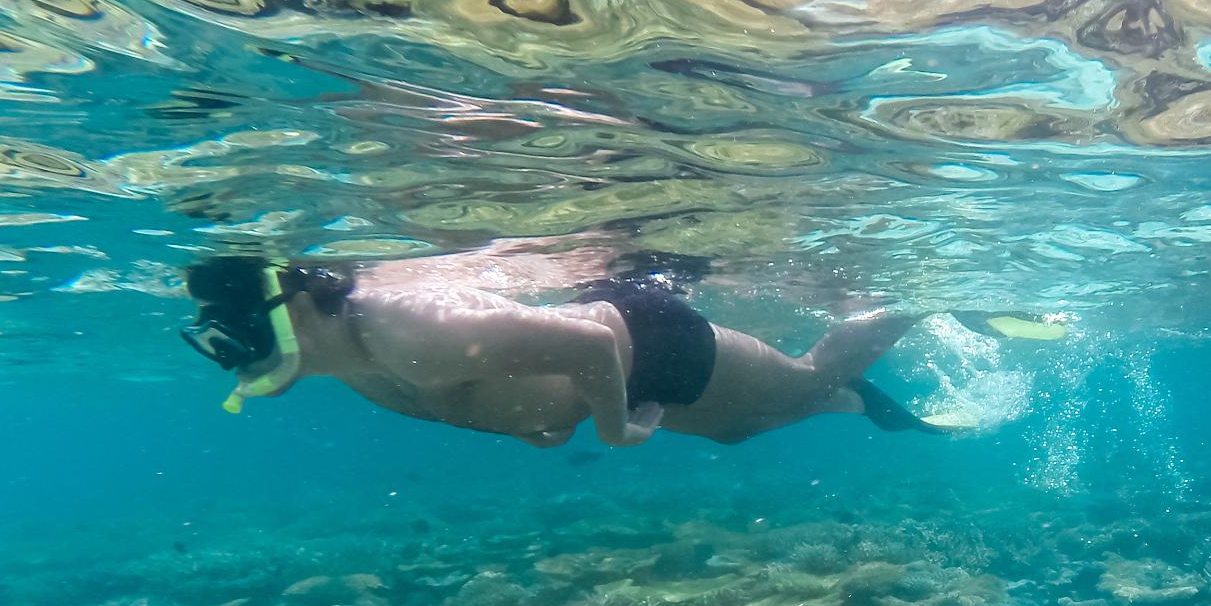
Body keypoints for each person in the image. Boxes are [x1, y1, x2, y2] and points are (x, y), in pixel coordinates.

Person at [179, 254, 1054, 448]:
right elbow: (466, 405)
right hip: (630, 379)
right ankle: (867, 408)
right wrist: (542, 429)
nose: (232, 356)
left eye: (236, 332)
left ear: (293, 304)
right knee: (735, 433)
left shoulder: (412, 325)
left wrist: (608, 427)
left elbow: (592, 340)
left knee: (800, 383)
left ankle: (922, 297)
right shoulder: (347, 359)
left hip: (648, 347)